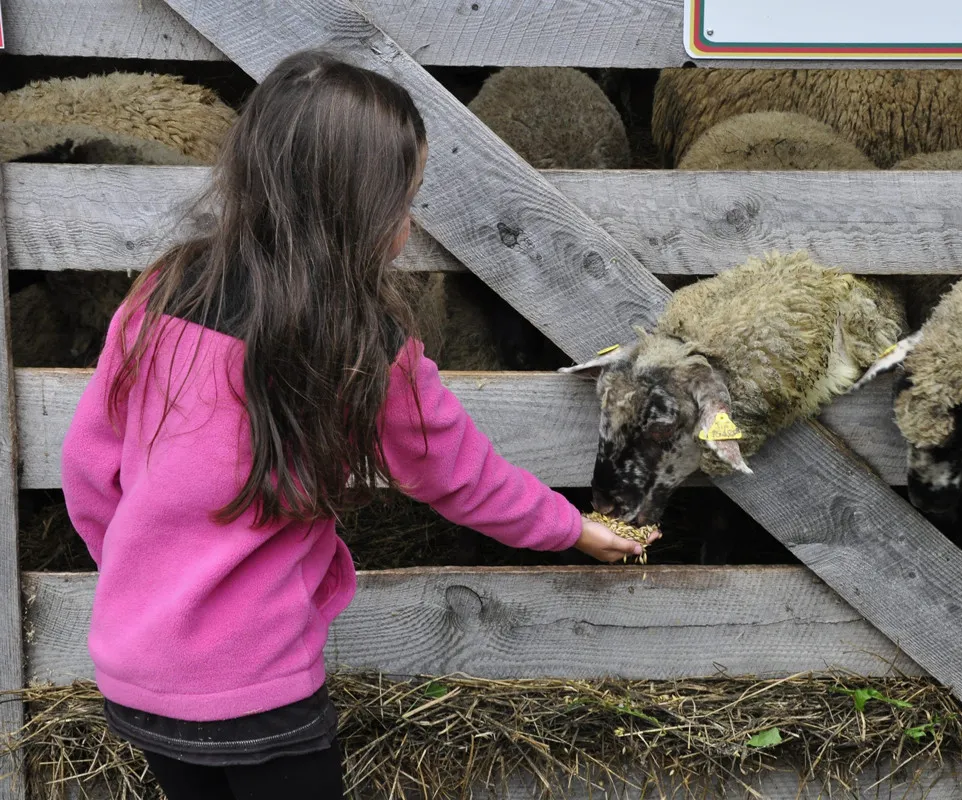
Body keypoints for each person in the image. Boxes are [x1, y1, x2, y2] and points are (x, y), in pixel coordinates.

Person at [59, 49, 654, 800]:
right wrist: (570, 527)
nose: (408, 222)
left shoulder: (164, 289)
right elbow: (459, 476)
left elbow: (87, 467)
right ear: (355, 211)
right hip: (260, 687)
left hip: (137, 677)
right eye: (403, 202)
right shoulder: (363, 342)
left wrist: (138, 581)